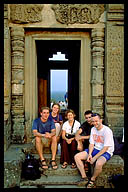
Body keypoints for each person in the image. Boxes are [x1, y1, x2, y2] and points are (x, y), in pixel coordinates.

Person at [74, 113, 114, 188]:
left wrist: (94, 158)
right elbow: (91, 144)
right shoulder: (93, 129)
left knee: (98, 163)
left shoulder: (107, 131)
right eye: (93, 122)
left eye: (96, 121)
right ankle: (84, 177)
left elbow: (105, 148)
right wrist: (89, 154)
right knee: (77, 156)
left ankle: (92, 180)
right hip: (96, 148)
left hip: (106, 151)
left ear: (101, 120)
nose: (95, 123)